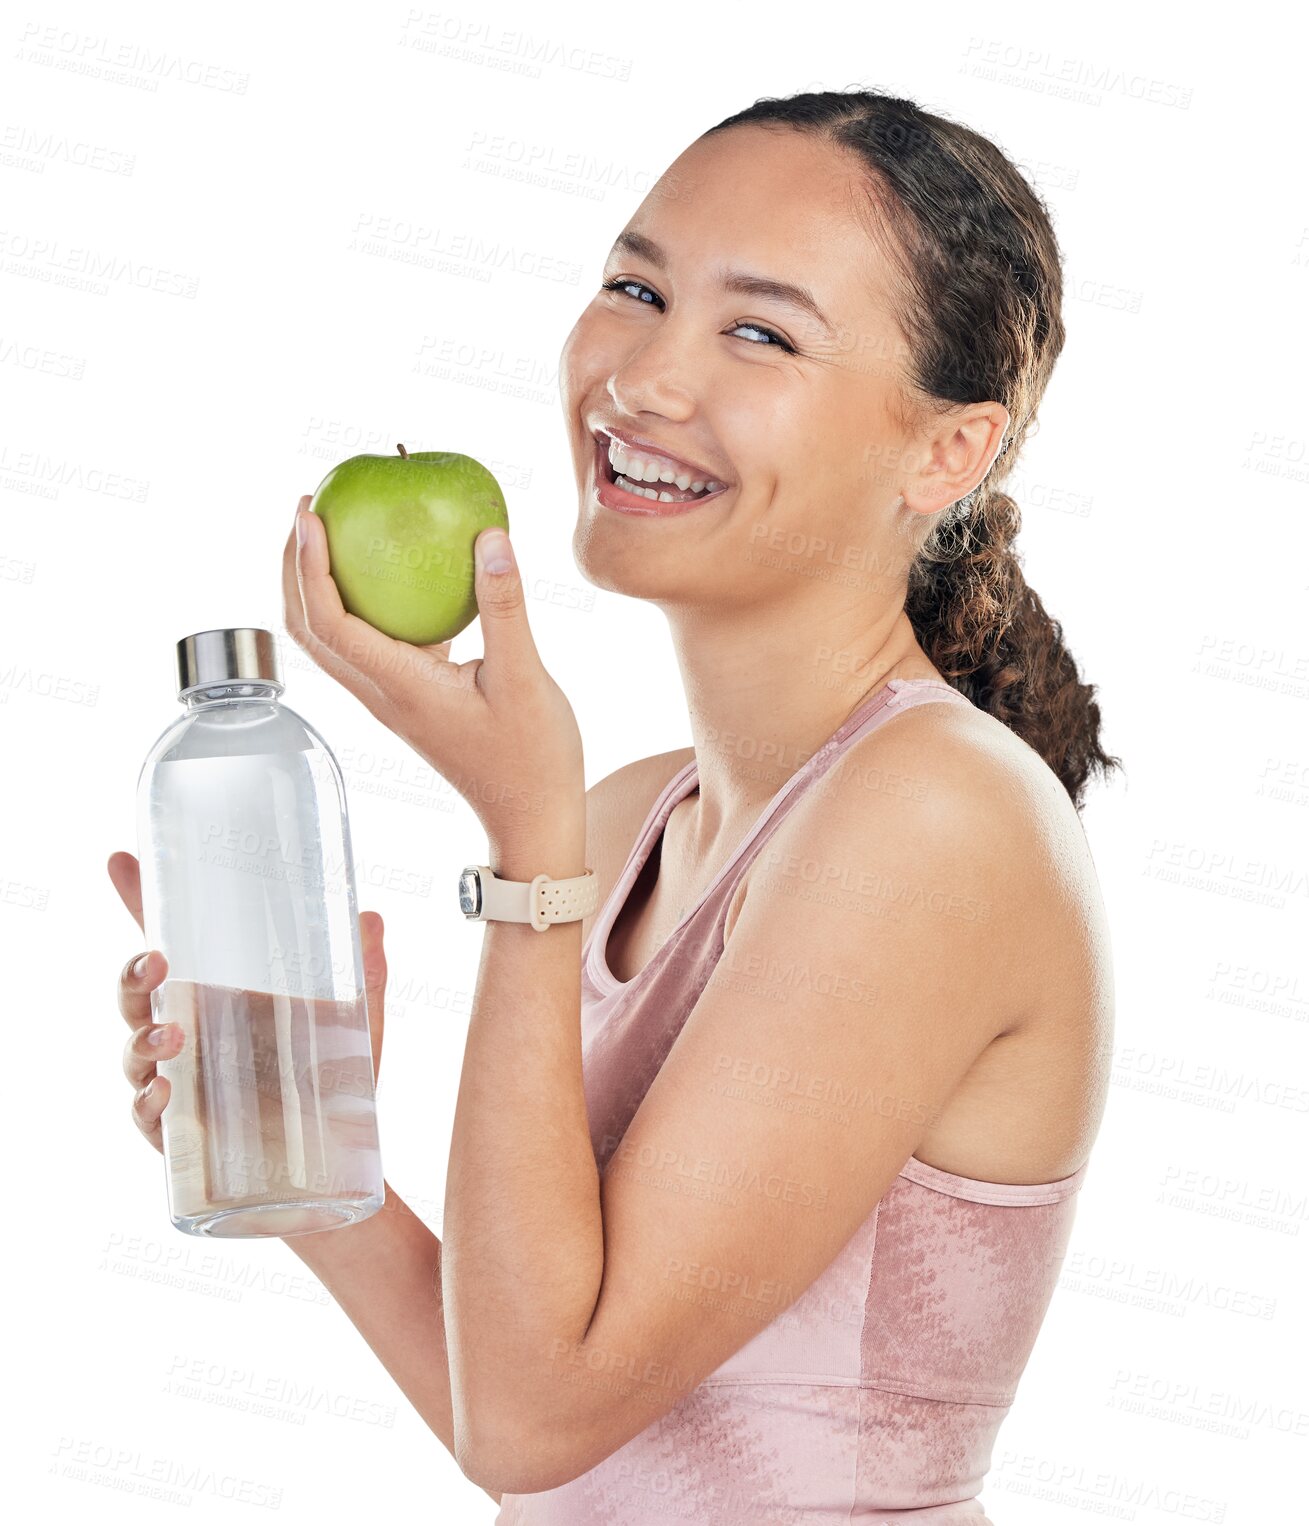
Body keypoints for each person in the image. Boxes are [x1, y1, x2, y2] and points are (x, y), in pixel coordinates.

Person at [109, 86, 1120, 1523]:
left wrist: (522, 854)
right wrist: (288, 1148)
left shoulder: (938, 816)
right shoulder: (631, 815)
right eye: (634, 288)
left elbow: (531, 1421)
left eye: (758, 330)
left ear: (947, 452)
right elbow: (518, 1401)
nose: (643, 376)